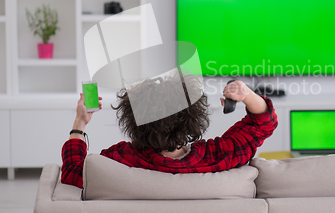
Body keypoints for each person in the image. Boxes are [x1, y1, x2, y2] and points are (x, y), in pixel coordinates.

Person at [61, 77, 278, 188]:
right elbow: (262, 124)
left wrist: (80, 122)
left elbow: (72, 172)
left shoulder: (118, 160)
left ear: (132, 120)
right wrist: (247, 94)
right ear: (193, 117)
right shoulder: (219, 156)